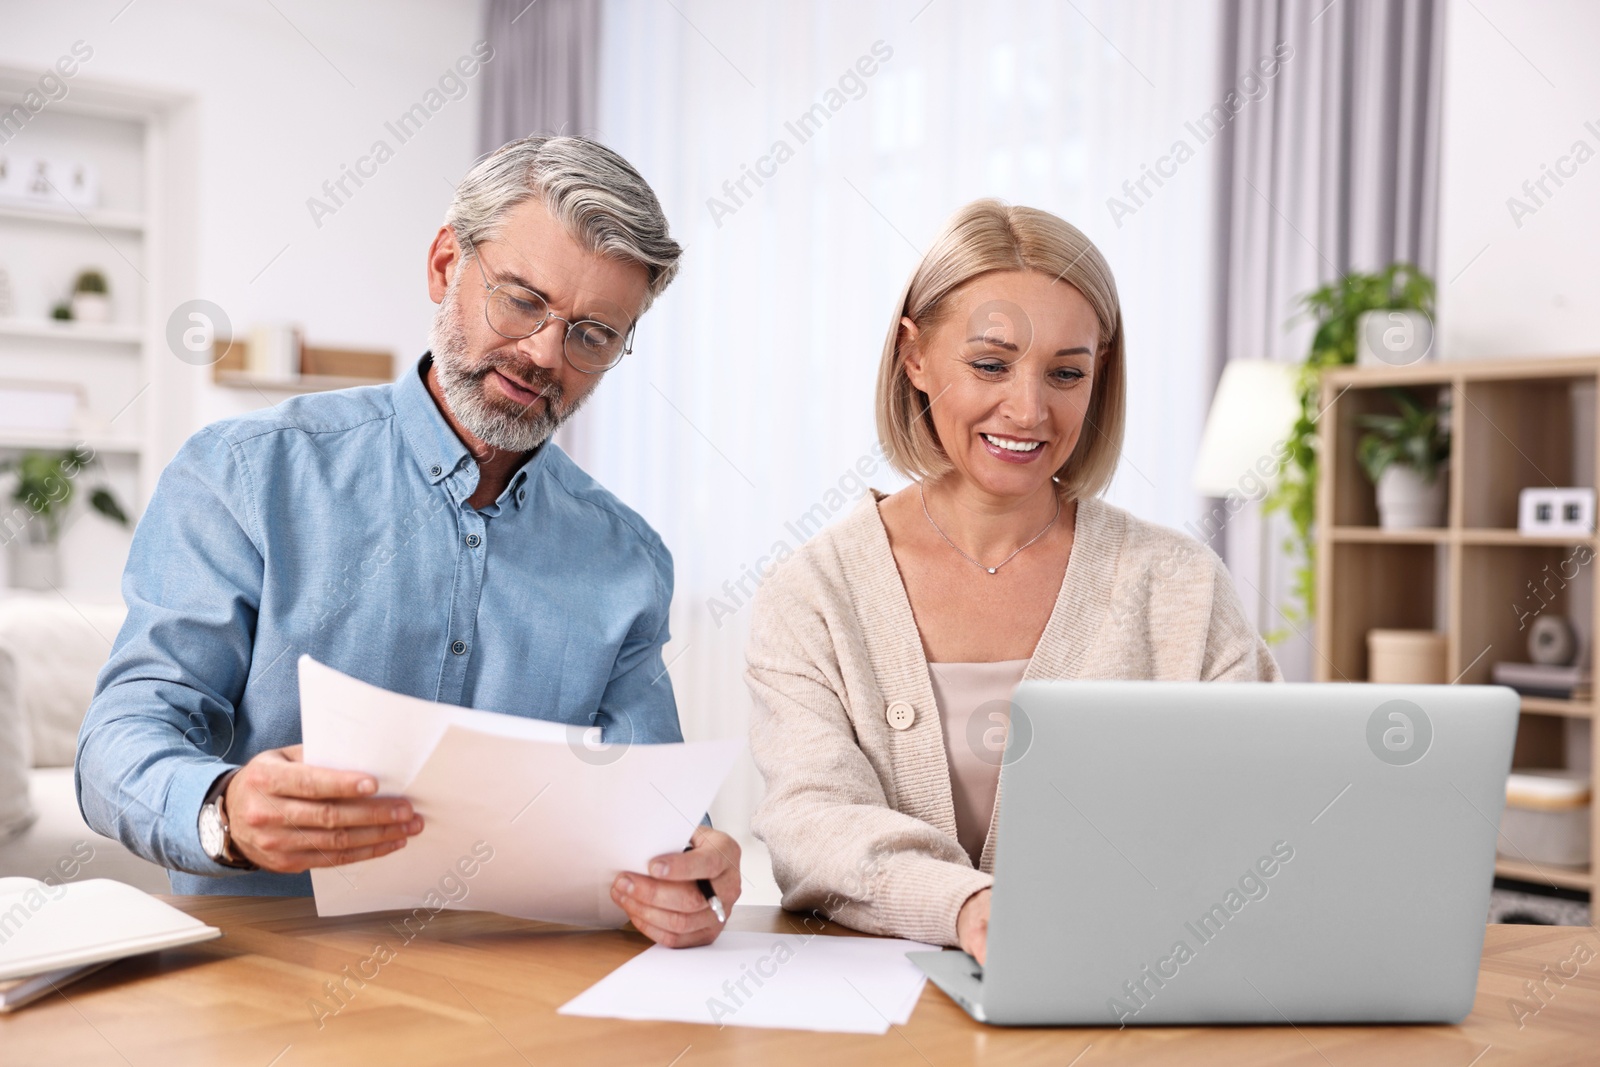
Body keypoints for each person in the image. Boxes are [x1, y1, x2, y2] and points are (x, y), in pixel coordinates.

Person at [76, 135, 739, 949]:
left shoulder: (628, 559)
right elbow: (120, 739)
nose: (542, 354)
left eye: (592, 335)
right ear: (443, 265)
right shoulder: (244, 474)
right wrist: (222, 811)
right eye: (522, 301)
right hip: (264, 972)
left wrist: (690, 865)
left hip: (514, 982)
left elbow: (656, 810)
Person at [745, 199, 1279, 964]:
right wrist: (966, 906)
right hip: (881, 1009)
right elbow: (810, 819)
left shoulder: (1180, 583)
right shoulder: (815, 590)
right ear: (915, 356)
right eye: (990, 364)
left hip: (1127, 991)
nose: (1029, 409)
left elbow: (1255, 806)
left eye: (1066, 373)